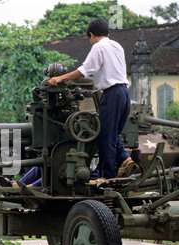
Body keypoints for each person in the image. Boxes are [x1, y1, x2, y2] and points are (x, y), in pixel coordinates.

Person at [48, 18, 134, 181]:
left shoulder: (99, 47)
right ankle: (124, 159)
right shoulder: (117, 46)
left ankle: (107, 177)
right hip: (124, 93)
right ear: (107, 33)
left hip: (111, 93)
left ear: (91, 35)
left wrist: (61, 78)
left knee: (105, 135)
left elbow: (85, 70)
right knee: (113, 132)